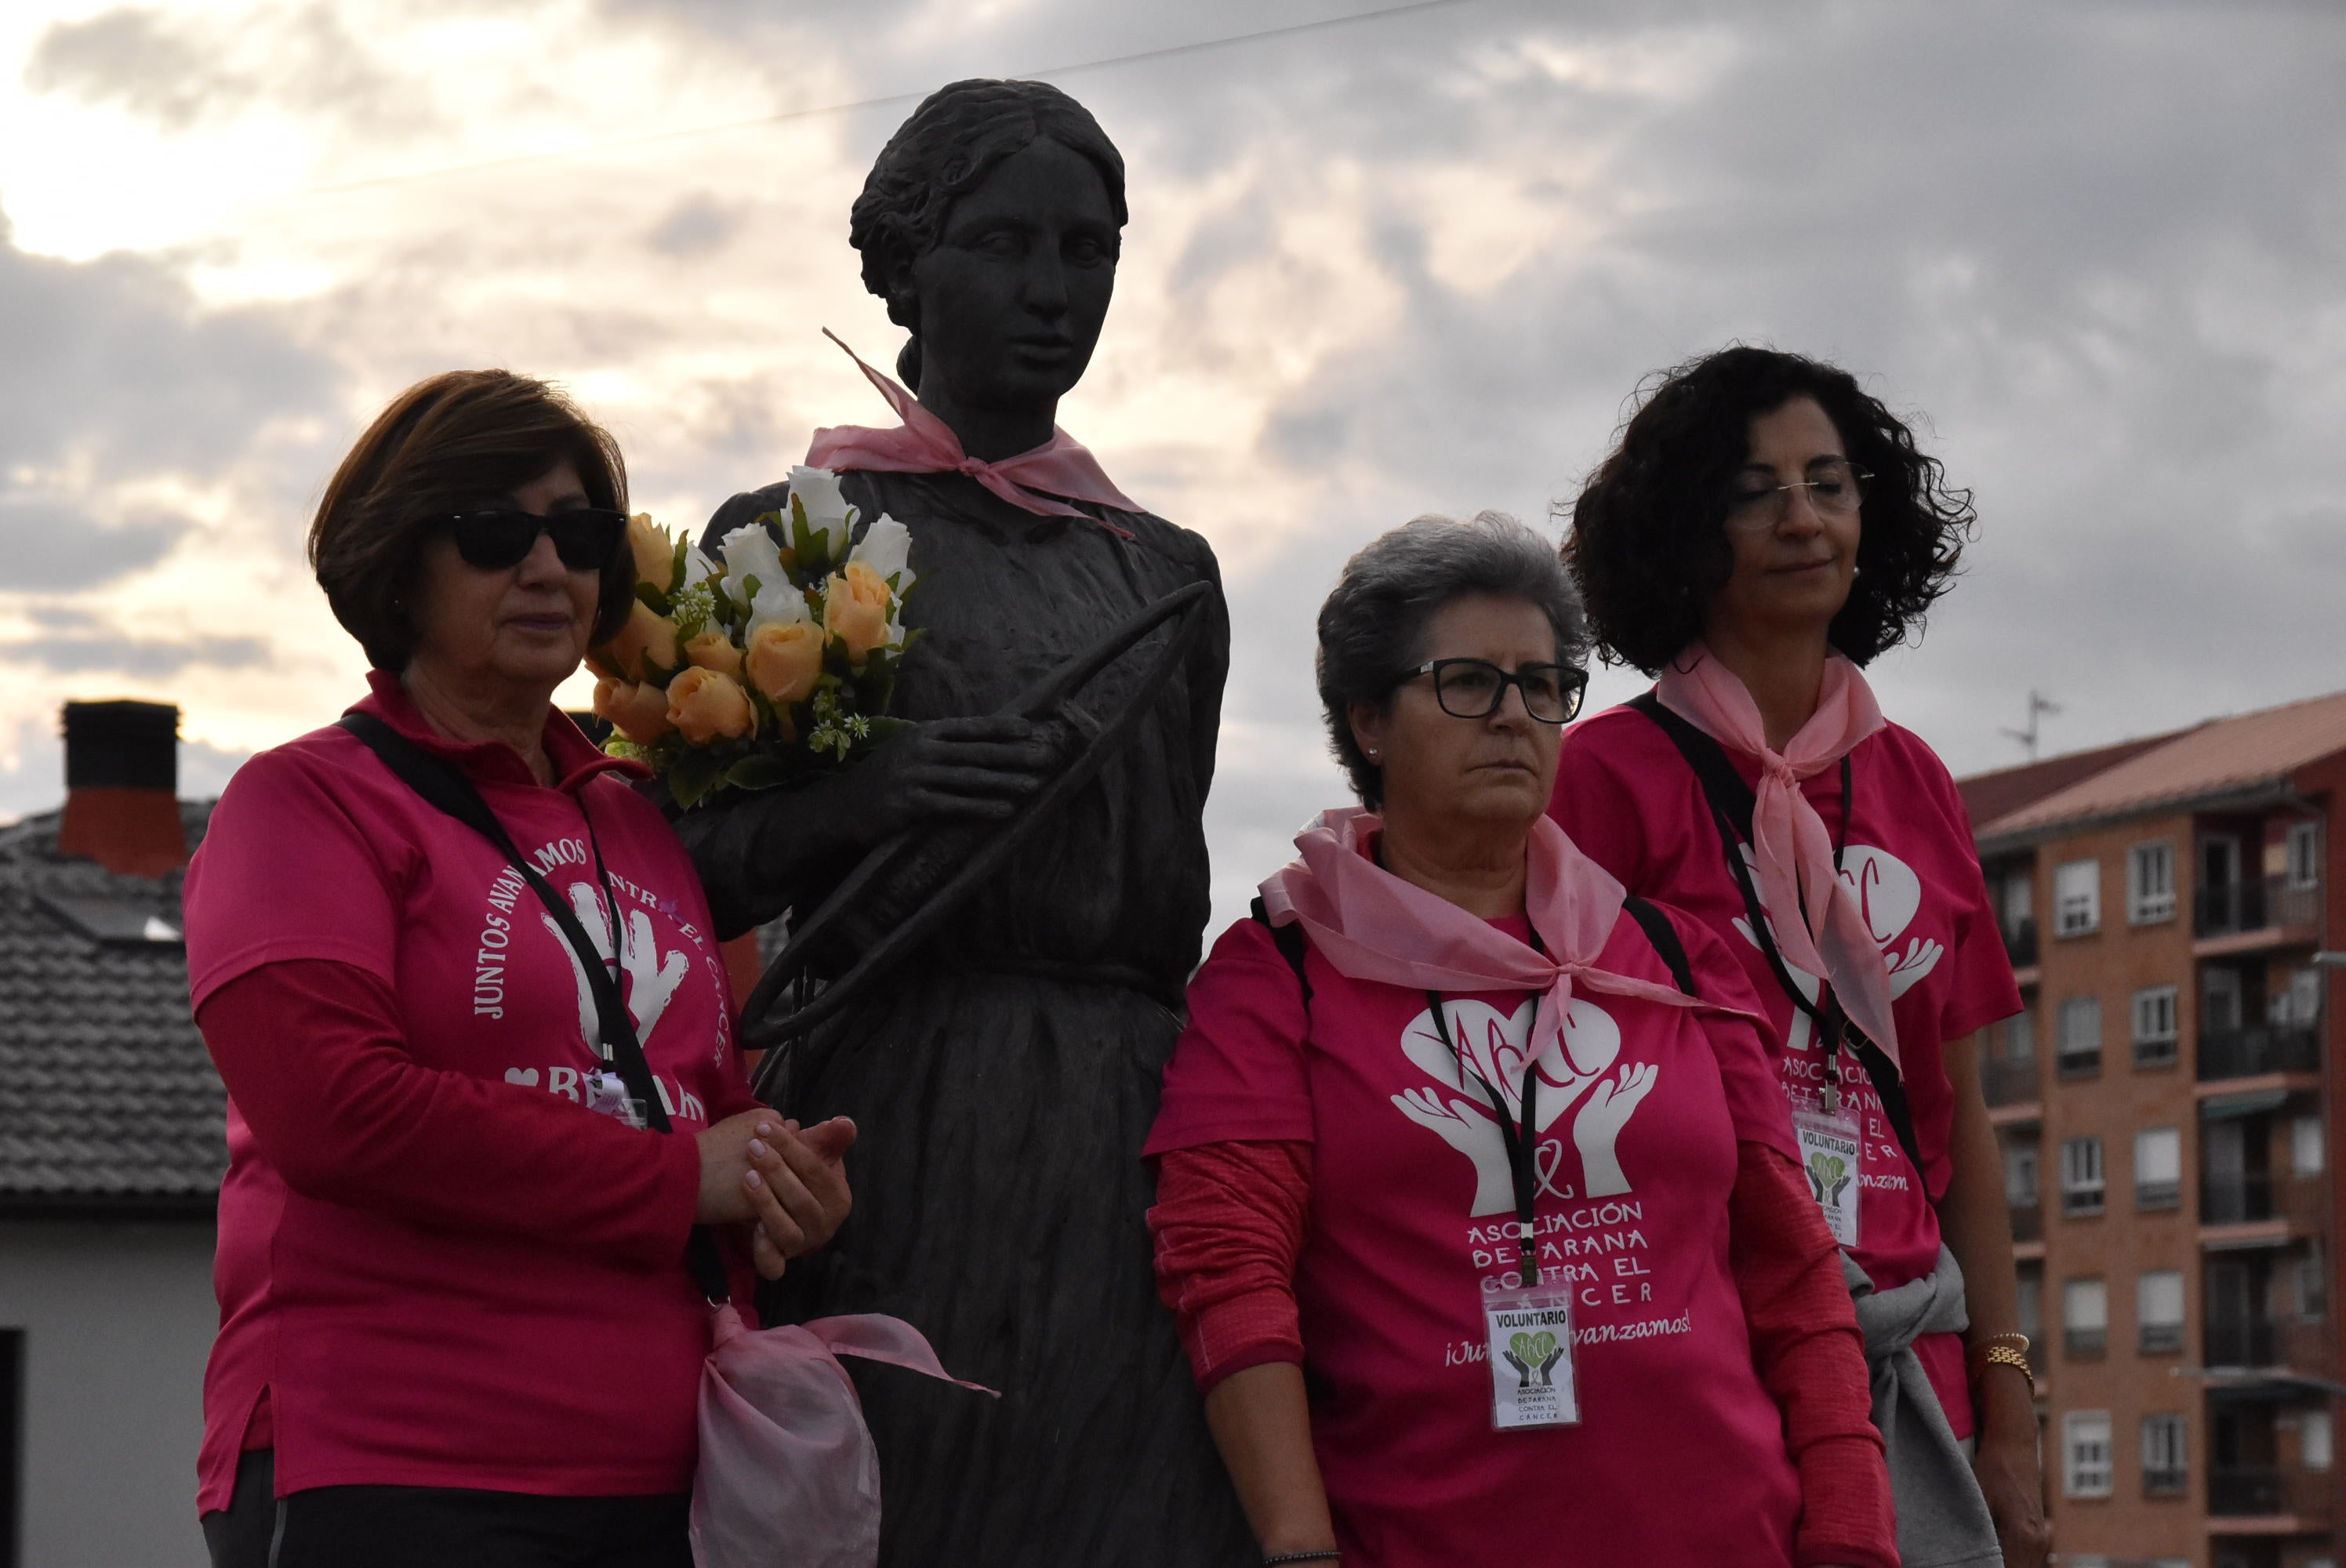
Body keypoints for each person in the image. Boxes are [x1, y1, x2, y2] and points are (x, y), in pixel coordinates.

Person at [670, 81, 1247, 1562]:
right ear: (905, 267)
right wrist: (864, 796)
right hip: (890, 1113)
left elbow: (1168, 897)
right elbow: (677, 879)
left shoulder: (1166, 574)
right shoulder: (786, 537)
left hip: (1130, 1120)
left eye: (1088, 250)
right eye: (1004, 244)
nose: (1053, 291)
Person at [183, 369, 855, 1568]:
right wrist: (679, 1179)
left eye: (581, 536)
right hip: (396, 1468)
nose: (549, 568)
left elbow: (706, 1109)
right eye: (497, 534)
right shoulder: (302, 803)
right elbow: (337, 1115)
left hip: (673, 1481)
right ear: (400, 563)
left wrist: (779, 1185)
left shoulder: (641, 823)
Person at [1146, 512, 1895, 1567]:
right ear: (1368, 721)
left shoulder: (1674, 959)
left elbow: (1796, 1273)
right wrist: (1302, 1549)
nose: (1514, 716)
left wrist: (1854, 1532)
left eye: (1543, 687)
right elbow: (1226, 1272)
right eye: (1468, 683)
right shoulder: (1278, 974)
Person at [1551, 345, 2050, 1568]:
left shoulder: (1917, 779)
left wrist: (2009, 1391)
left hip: (1920, 1364)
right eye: (1754, 491)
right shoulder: (1595, 784)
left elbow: (1961, 1116)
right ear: (1684, 529)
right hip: (1713, 1357)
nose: (1802, 519)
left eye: (1828, 484)